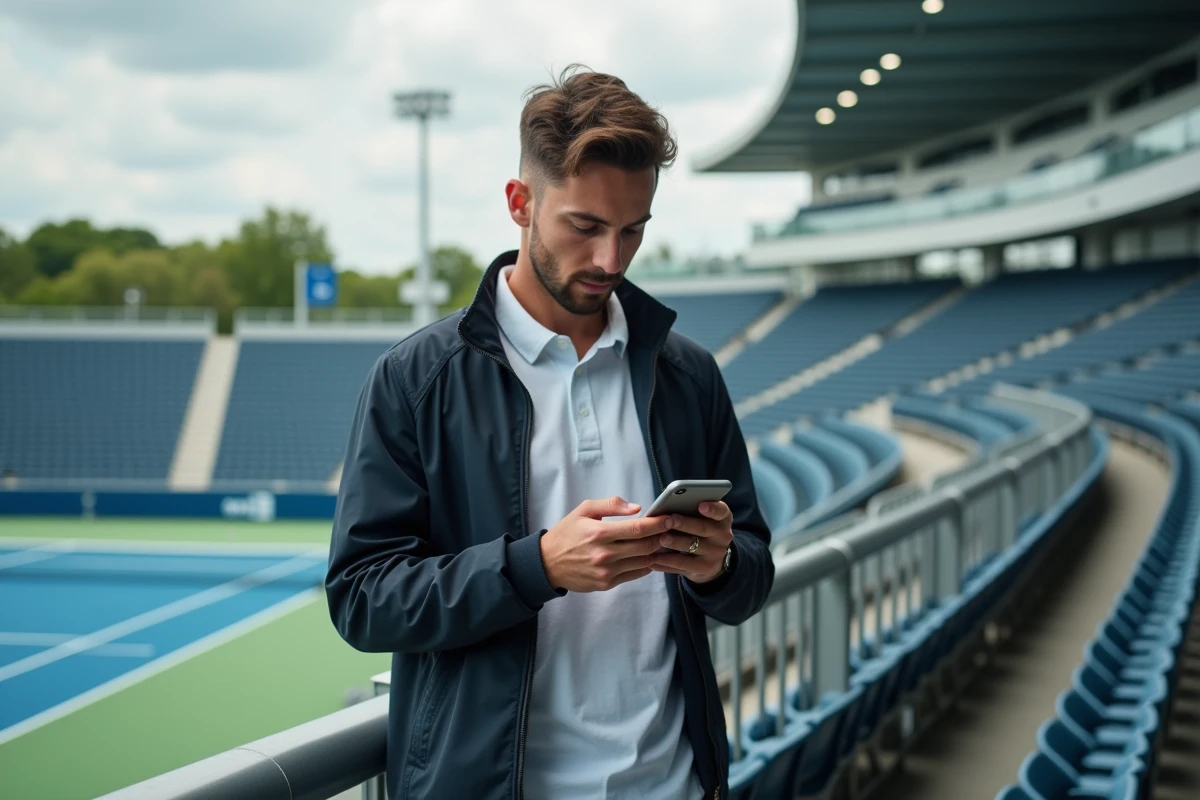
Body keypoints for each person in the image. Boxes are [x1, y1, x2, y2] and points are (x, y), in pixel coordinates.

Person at [326, 65, 774, 800]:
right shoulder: (415, 379)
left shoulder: (688, 374)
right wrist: (535, 567)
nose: (610, 260)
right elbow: (362, 599)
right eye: (585, 226)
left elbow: (751, 577)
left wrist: (717, 565)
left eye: (633, 231)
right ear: (520, 203)